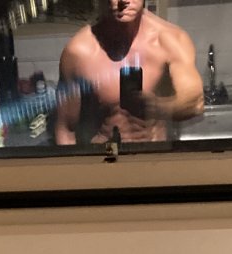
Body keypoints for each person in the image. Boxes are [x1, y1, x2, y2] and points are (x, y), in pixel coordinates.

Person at [55, 0, 204, 146]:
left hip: (154, 156)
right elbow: (65, 129)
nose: (123, 1)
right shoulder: (79, 51)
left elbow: (195, 102)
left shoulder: (169, 40)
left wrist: (155, 107)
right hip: (106, 156)